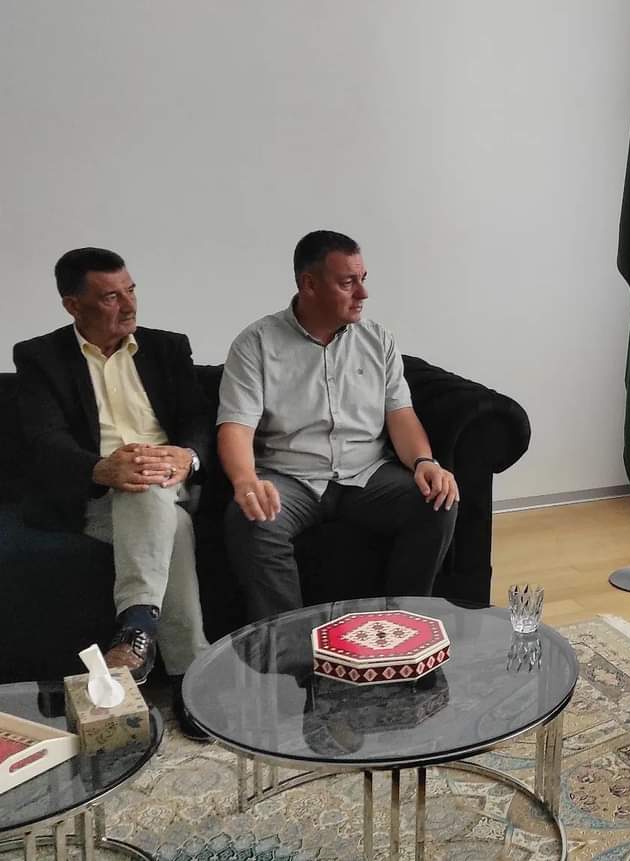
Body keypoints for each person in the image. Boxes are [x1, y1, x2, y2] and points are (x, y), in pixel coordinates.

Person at [14, 247, 211, 741]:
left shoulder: (167, 347)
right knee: (168, 521)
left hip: (171, 483)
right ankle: (189, 677)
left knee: (148, 484)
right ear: (72, 305)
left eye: (131, 290)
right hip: (98, 495)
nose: (128, 305)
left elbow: (199, 419)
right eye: (109, 297)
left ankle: (136, 629)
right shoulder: (40, 357)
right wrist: (101, 468)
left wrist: (186, 456)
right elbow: (44, 439)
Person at [218, 230, 459, 621]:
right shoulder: (256, 343)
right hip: (290, 477)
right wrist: (246, 480)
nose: (362, 293)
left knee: (437, 501)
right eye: (348, 283)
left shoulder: (378, 339)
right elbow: (236, 426)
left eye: (363, 279)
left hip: (368, 474)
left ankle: (401, 625)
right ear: (309, 284)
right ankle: (286, 640)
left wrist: (424, 462)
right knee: (252, 520)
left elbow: (400, 414)